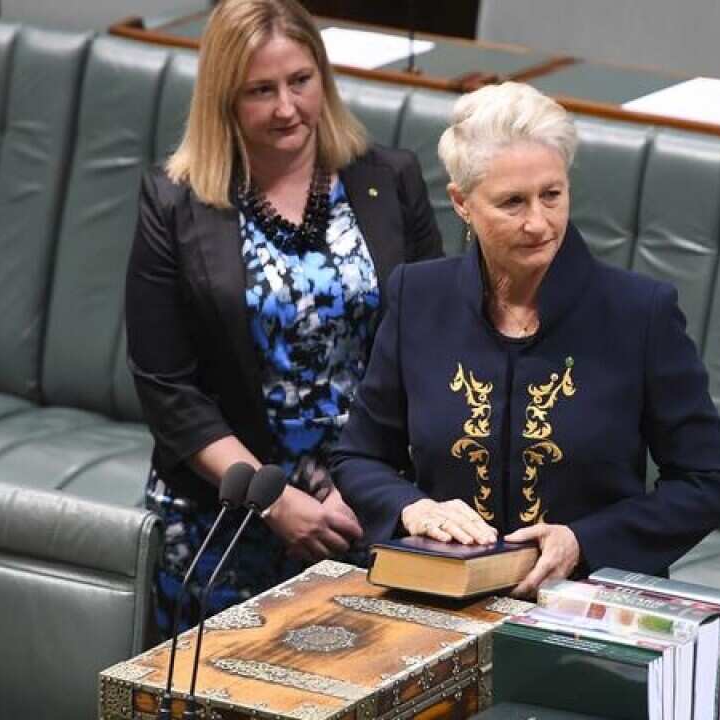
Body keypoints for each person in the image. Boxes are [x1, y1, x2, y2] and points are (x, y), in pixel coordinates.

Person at [332, 82, 720, 597]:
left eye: (552, 195)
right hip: (439, 600)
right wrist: (413, 508)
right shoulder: (418, 296)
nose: (539, 223)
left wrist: (583, 541)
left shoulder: (640, 313)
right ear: (462, 203)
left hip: (589, 605)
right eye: (511, 203)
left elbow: (708, 482)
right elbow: (359, 457)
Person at [125, 0, 443, 637]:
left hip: (367, 505)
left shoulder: (391, 179)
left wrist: (370, 484)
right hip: (226, 510)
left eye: (300, 82)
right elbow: (168, 388)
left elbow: (431, 348)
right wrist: (270, 498)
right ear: (223, 99)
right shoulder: (176, 204)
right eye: (260, 91)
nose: (286, 108)